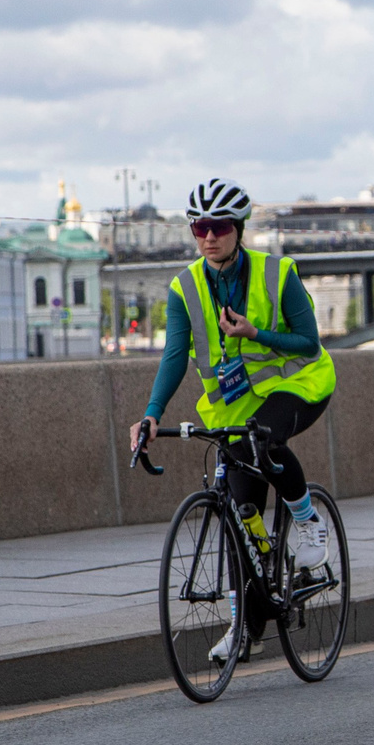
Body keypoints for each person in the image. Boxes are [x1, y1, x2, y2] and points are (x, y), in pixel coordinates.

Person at [129, 179, 337, 660]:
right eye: (199, 227)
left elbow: (309, 342)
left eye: (219, 226)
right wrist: (151, 416)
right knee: (242, 513)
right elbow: (174, 358)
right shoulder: (185, 288)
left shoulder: (277, 273)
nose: (208, 236)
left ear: (238, 229)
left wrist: (257, 332)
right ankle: (249, 619)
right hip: (235, 406)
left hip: (299, 384)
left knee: (262, 440)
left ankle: (308, 523)